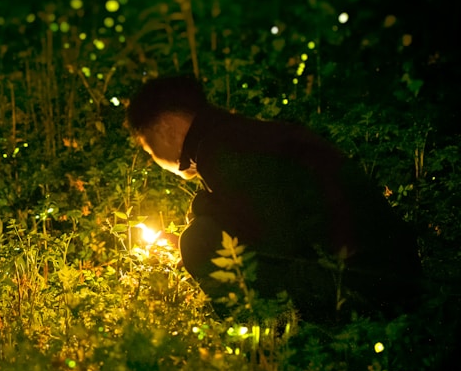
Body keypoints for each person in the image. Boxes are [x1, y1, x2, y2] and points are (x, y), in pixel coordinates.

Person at [126, 76, 422, 322]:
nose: (153, 157)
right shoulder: (241, 134)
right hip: (390, 271)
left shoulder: (222, 150)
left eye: (149, 149)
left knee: (199, 241)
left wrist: (204, 214)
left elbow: (272, 240)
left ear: (166, 128)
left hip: (363, 285)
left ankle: (265, 339)